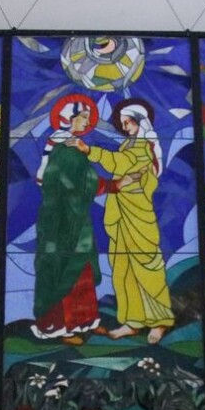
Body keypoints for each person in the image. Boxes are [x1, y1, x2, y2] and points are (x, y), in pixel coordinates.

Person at [71, 99, 175, 343]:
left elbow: (121, 163)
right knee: (122, 268)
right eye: (122, 123)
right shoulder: (129, 143)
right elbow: (121, 168)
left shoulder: (144, 146)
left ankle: (159, 321)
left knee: (147, 266)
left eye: (128, 122)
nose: (125, 126)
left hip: (138, 215)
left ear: (140, 122)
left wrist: (90, 151)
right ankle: (133, 321)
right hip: (121, 213)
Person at [30, 94, 104, 345]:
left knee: (81, 269)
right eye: (83, 117)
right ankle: (59, 325)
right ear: (68, 119)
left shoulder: (72, 147)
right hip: (62, 221)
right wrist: (113, 185)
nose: (87, 121)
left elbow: (84, 180)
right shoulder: (65, 150)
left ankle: (84, 320)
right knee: (63, 269)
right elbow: (73, 183)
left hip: (76, 218)